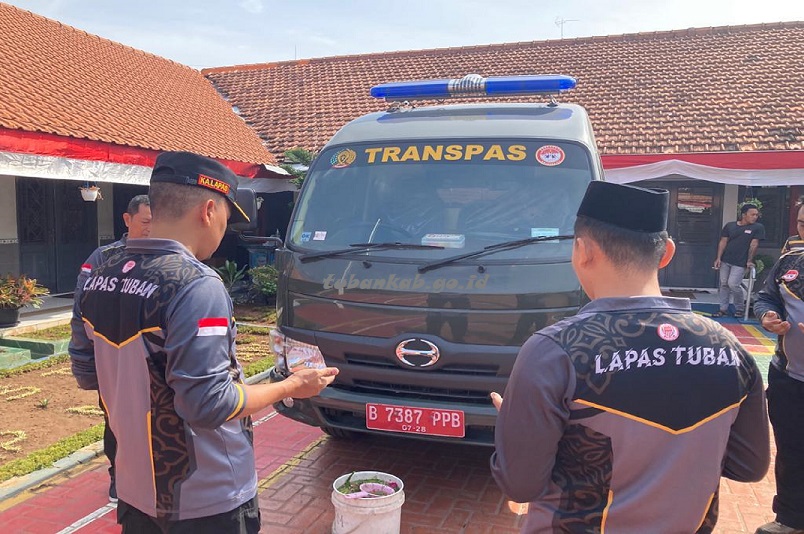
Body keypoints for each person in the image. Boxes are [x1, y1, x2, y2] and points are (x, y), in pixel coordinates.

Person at [70, 151, 338, 533]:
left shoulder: (98, 275)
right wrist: (292, 386)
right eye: (227, 219)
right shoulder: (196, 284)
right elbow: (210, 405)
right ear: (208, 211)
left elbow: (86, 372)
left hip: (134, 489)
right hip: (205, 496)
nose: (224, 231)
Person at [490, 181, 770, 533]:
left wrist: (516, 427)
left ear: (582, 251)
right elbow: (749, 466)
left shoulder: (554, 351)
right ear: (666, 253)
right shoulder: (729, 348)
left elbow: (520, 484)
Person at [68, 193, 152, 502]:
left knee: (153, 423)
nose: (151, 229)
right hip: (112, 359)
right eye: (145, 222)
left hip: (148, 359)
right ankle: (119, 477)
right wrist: (85, 367)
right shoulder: (103, 258)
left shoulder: (163, 256)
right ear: (128, 220)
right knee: (116, 421)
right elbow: (80, 314)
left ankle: (149, 477)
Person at [753, 202, 804, 534]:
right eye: (802, 224)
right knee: (791, 450)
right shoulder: (789, 262)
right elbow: (766, 297)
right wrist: (767, 316)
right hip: (788, 377)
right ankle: (790, 518)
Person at [713, 203, 765, 317]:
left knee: (733, 284)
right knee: (724, 284)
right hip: (726, 259)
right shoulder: (730, 226)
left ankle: (740, 309)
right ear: (744, 215)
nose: (755, 217)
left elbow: (754, 245)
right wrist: (718, 258)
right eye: (752, 214)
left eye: (756, 215)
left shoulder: (757, 227)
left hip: (740, 262)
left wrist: (749, 260)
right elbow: (723, 241)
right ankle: (723, 309)